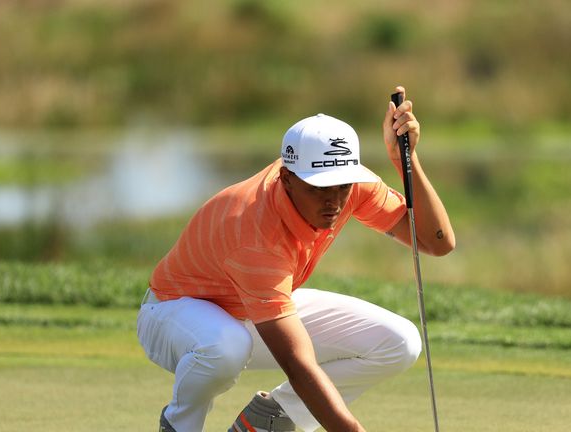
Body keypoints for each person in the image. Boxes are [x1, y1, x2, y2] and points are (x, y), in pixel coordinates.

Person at [137, 86, 455, 432]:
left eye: (342, 186)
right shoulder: (253, 231)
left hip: (250, 309)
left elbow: (436, 242)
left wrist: (405, 160)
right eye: (319, 188)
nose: (334, 201)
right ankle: (179, 425)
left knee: (399, 341)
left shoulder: (350, 185)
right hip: (173, 317)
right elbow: (298, 364)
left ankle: (264, 424)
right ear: (286, 179)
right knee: (226, 346)